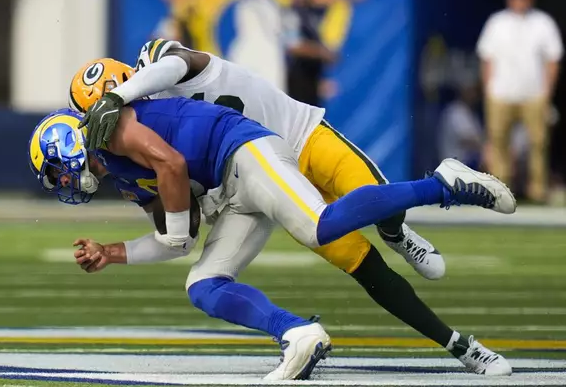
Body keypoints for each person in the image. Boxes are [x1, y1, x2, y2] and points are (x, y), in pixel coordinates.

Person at [29, 99, 515, 378]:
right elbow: (179, 239)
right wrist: (111, 254)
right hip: (231, 189)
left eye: (57, 172)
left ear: (67, 146)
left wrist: (177, 230)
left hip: (244, 151)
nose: (63, 183)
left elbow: (173, 165)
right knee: (204, 283)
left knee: (320, 226)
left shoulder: (110, 131)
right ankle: (296, 333)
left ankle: (444, 184)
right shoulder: (124, 177)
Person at [70, 44, 446, 283]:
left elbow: (173, 70)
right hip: (251, 174)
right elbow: (180, 231)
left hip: (283, 141)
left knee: (369, 198)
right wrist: (178, 219)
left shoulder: (158, 73)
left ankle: (409, 221)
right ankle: (298, 333)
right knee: (335, 243)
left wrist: (117, 97)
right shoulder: (128, 159)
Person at [477, 0, 563, 203]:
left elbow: (553, 59)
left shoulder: (543, 23)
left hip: (534, 94)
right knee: (498, 142)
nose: (520, 0)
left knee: (538, 143)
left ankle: (537, 192)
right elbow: (486, 58)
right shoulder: (496, 22)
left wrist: (546, 92)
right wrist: (488, 90)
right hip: (501, 94)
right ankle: (500, 192)